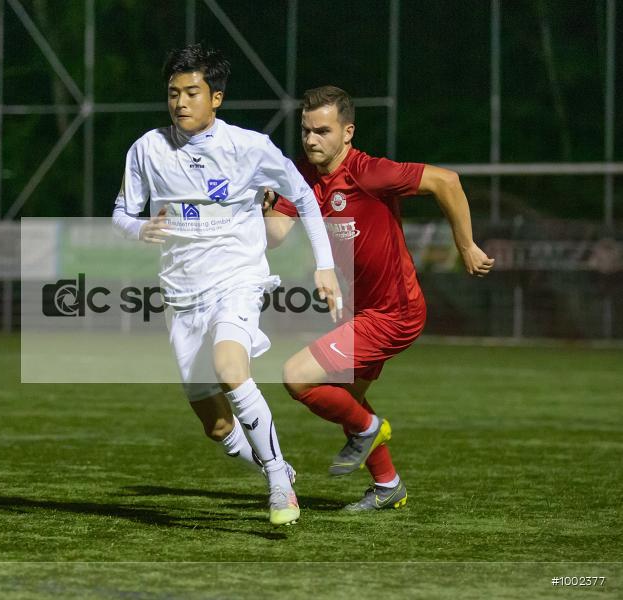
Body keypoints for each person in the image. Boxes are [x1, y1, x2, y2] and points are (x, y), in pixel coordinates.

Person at [112, 45, 341, 525]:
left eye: (192, 92)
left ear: (215, 97)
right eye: (173, 93)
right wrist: (139, 229)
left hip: (237, 279)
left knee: (229, 365)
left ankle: (278, 480)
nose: (180, 102)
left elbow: (303, 195)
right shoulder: (147, 149)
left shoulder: (248, 147)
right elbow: (121, 214)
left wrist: (324, 265)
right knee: (216, 426)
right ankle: (273, 464)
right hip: (180, 294)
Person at [264, 85, 494, 511]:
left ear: (347, 132)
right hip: (364, 311)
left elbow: (447, 181)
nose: (311, 139)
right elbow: (275, 235)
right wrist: (266, 204)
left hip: (394, 313)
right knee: (345, 398)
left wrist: (466, 246)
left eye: (322, 131)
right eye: (305, 131)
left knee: (297, 376)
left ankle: (371, 428)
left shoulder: (367, 173)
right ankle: (389, 486)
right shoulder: (301, 177)